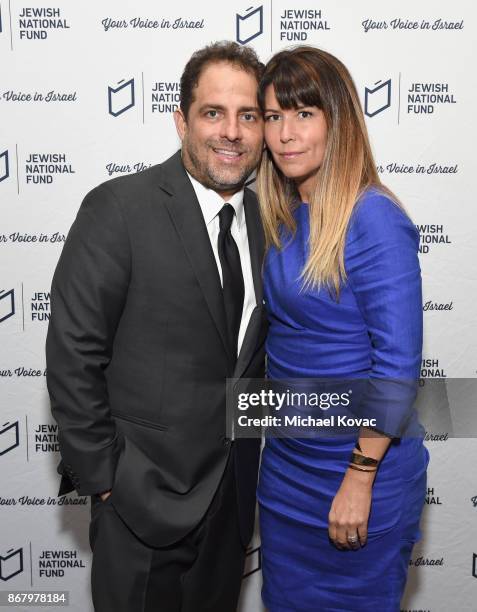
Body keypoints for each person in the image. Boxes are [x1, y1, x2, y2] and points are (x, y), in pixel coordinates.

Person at [46, 41, 268, 612]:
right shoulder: (119, 208)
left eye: (248, 116)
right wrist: (106, 482)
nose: (232, 132)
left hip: (232, 507)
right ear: (181, 121)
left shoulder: (272, 224)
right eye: (213, 113)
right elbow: (74, 354)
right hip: (140, 505)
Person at [255, 46, 429, 611]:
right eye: (274, 116)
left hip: (357, 476)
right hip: (287, 476)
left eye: (304, 114)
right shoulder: (282, 215)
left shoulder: (372, 215)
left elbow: (398, 366)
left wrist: (360, 476)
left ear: (339, 120)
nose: (285, 133)